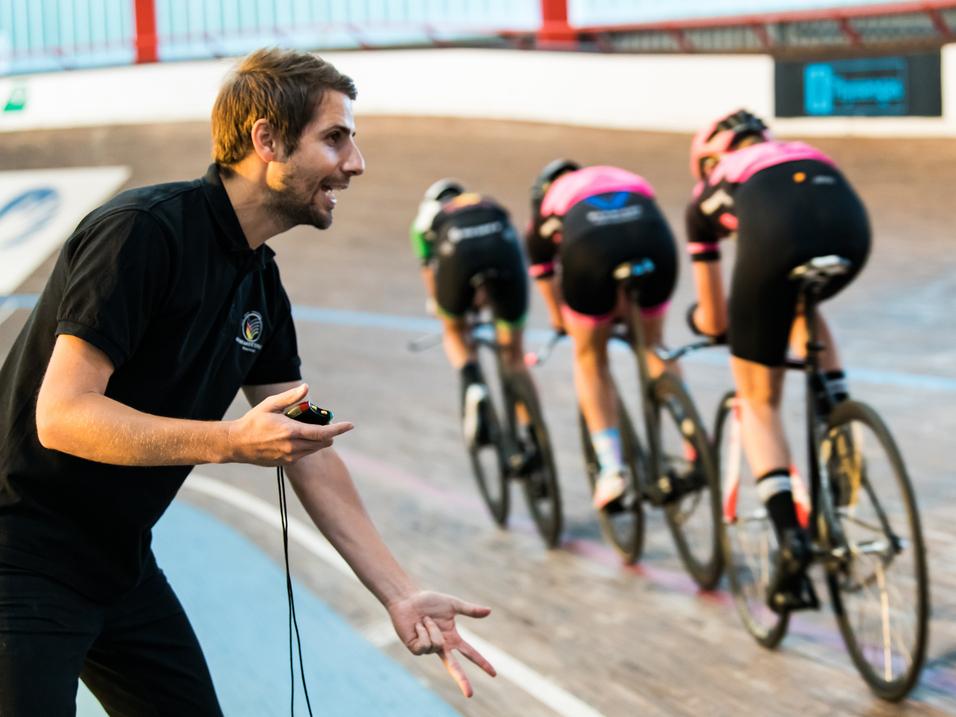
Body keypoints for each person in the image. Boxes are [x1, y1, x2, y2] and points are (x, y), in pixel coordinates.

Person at [0, 48, 495, 716]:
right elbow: (61, 414)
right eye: (335, 138)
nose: (355, 162)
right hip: (19, 558)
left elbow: (307, 442)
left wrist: (398, 590)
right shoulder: (142, 233)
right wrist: (230, 440)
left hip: (118, 565)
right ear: (266, 139)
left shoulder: (261, 281)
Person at [685, 109, 870, 610]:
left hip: (775, 237)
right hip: (850, 227)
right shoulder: (800, 149)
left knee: (757, 399)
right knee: (802, 299)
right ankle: (838, 415)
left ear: (711, 157)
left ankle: (791, 540)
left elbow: (717, 318)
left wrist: (701, 322)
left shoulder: (710, 188)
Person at [525, 159, 678, 509]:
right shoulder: (620, 174)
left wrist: (563, 321)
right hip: (650, 235)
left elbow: (549, 286)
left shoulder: (547, 208)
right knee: (653, 345)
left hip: (590, 247)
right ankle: (694, 443)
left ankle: (611, 470)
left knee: (590, 357)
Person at [410, 179, 531, 448]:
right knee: (514, 354)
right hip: (502, 246)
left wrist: (438, 304)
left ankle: (473, 381)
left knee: (453, 331)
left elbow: (430, 269)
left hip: (457, 254)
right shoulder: (481, 200)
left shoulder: (423, 221)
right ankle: (533, 430)